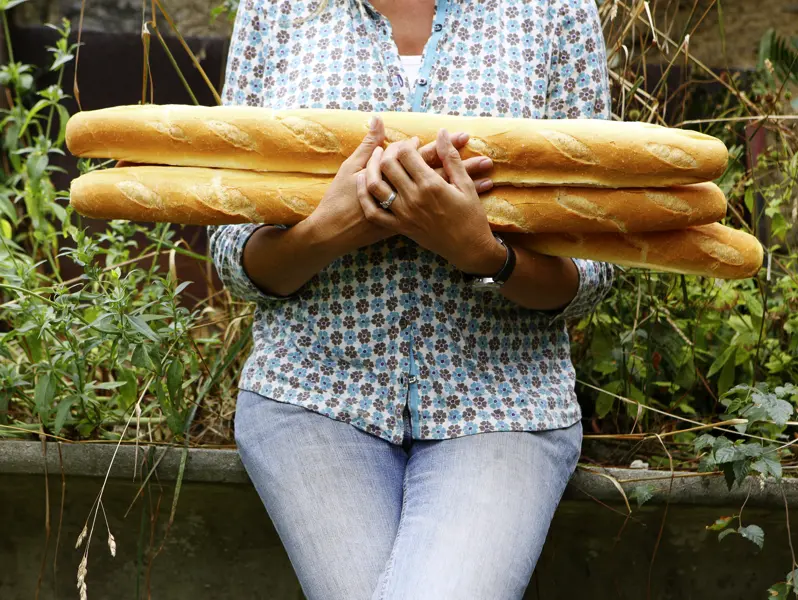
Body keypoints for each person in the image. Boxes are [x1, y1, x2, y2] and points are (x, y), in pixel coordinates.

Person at [209, 1, 614, 598]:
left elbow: (596, 265)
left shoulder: (553, 11)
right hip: (310, 395)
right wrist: (329, 230)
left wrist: (484, 254)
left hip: (502, 404)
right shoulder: (276, 8)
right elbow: (230, 246)